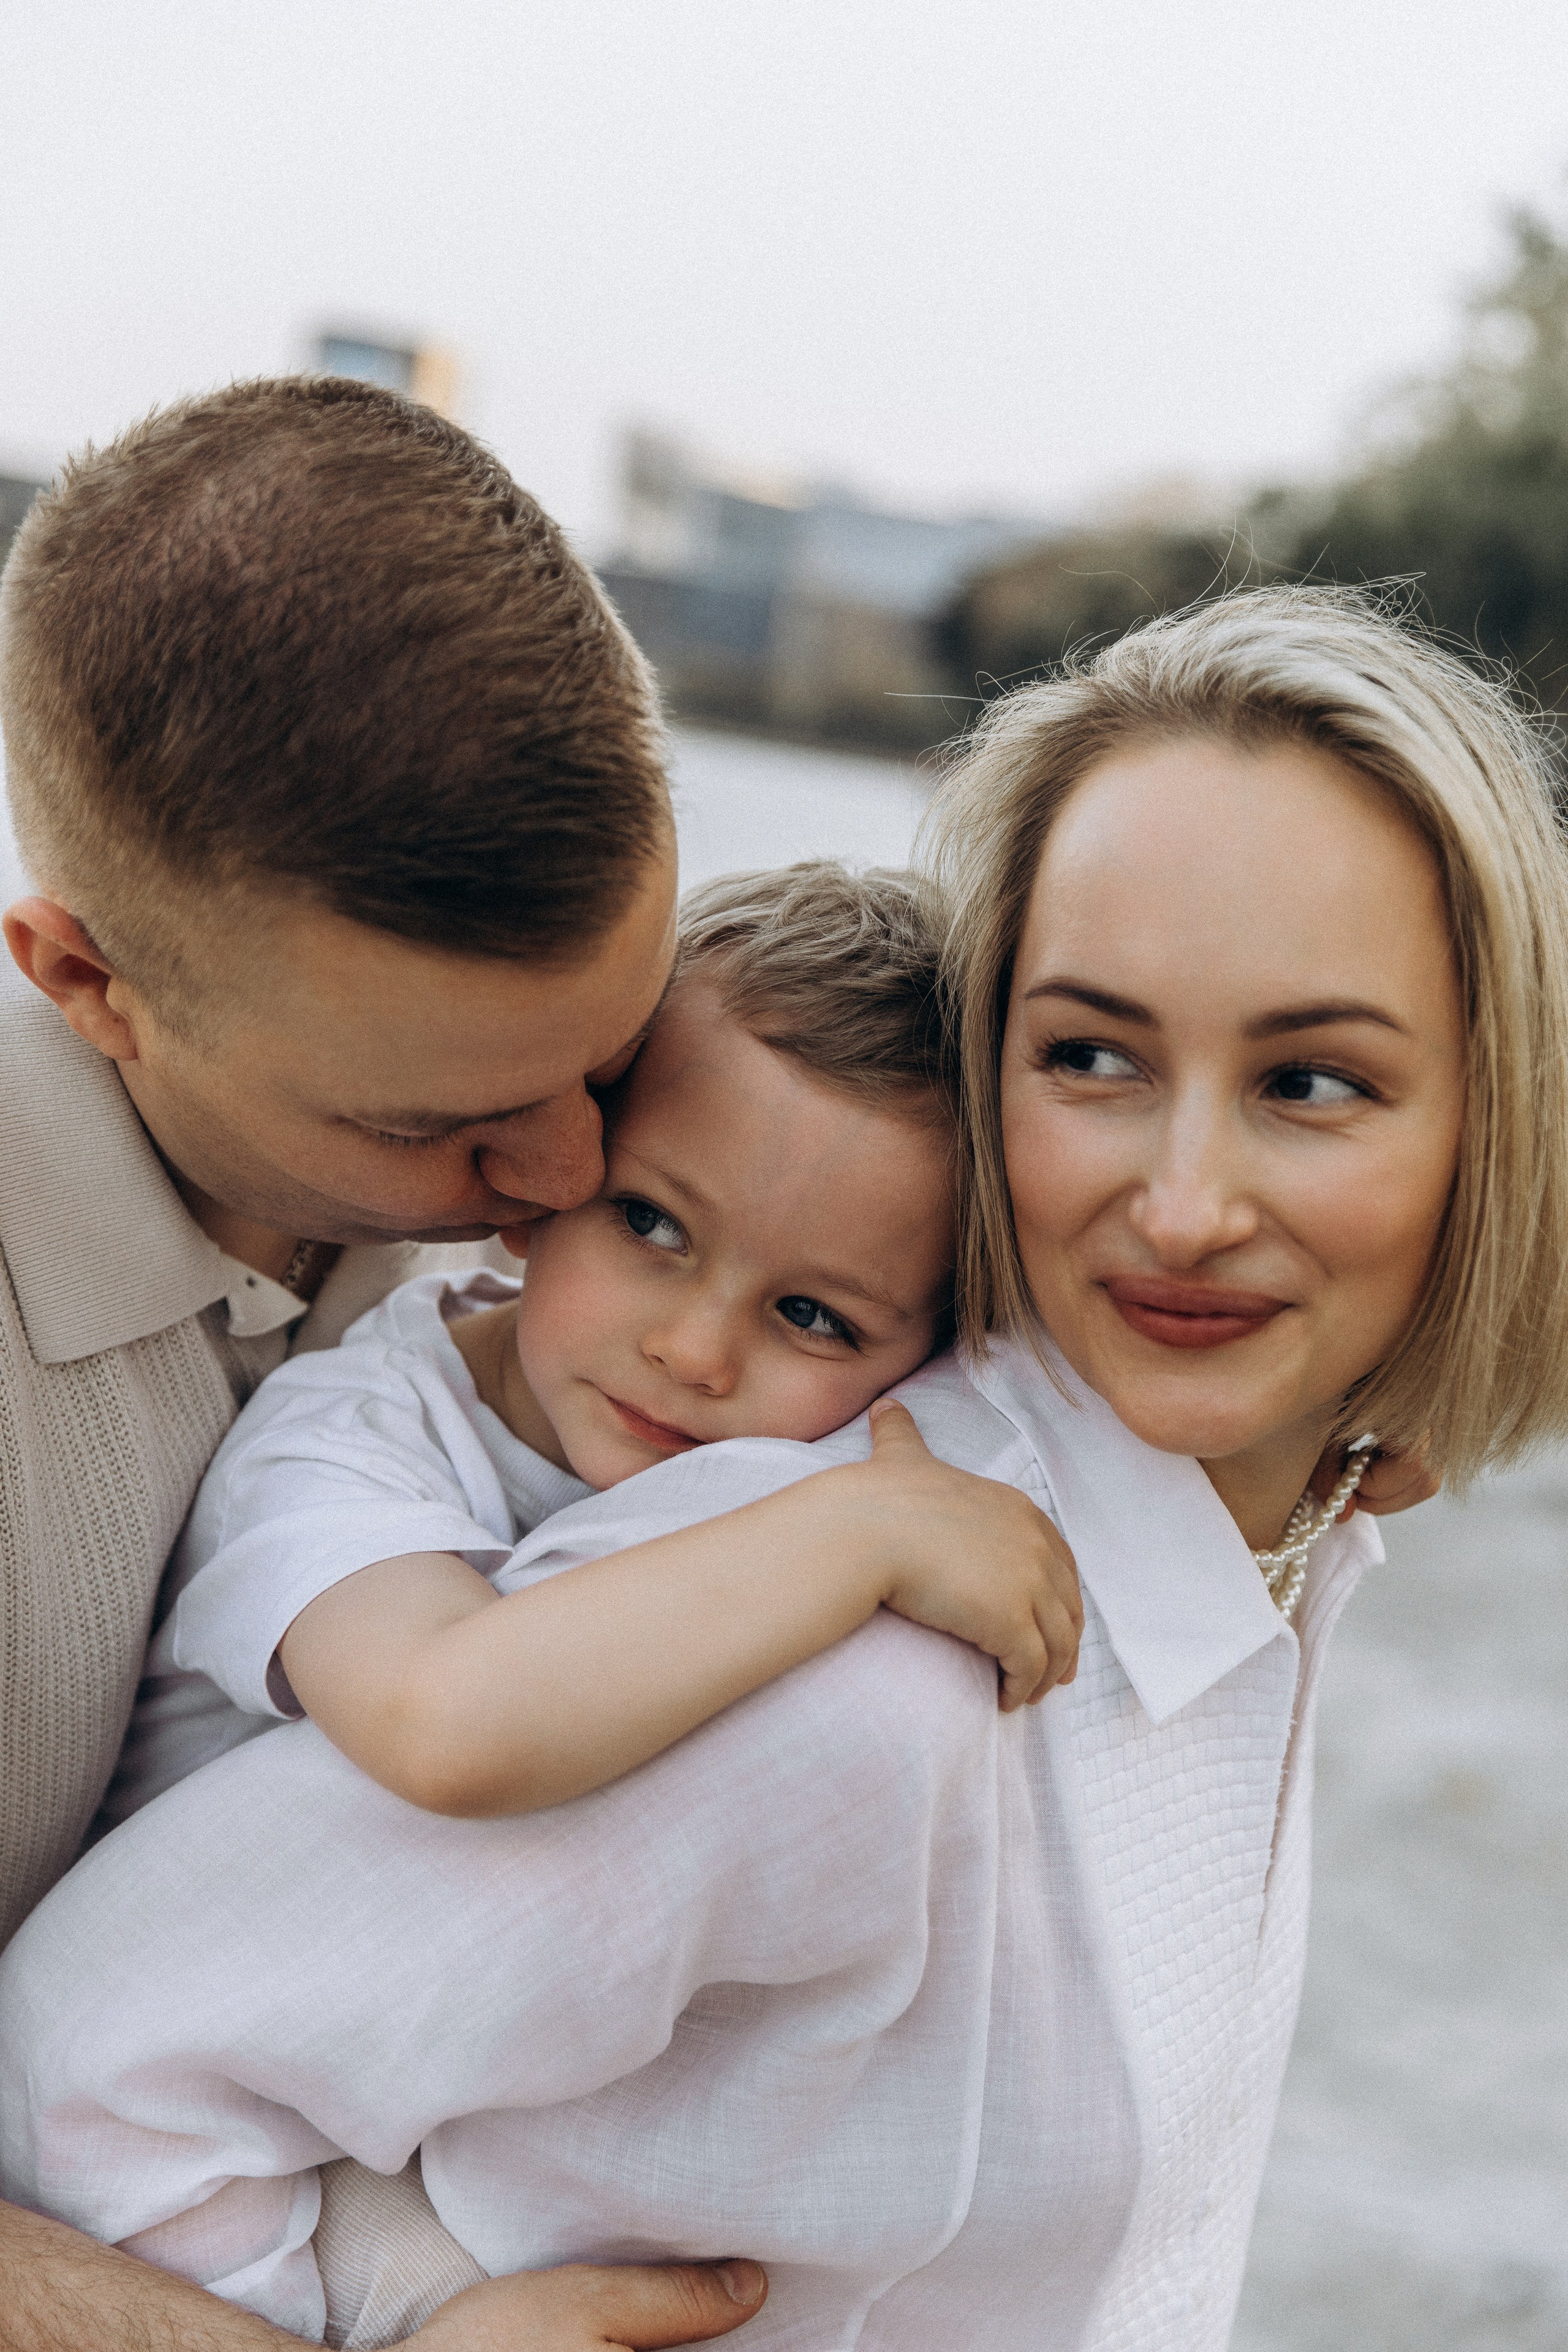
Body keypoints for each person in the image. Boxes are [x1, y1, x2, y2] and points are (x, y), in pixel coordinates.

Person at [7, 586, 1552, 2351]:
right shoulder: (831, 1640)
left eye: (1316, 1081)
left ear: (1498, 1120)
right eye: (1091, 1055)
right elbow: (94, 2057)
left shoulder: (1277, 1521)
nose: (1187, 1205)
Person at [0, 379, 768, 2350]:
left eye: (607, 1061)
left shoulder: (588, 1134)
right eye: (445, 1128)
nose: (579, 1182)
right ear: (90, 984)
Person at [108, 862, 1081, 1833]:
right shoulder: (334, 1443)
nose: (697, 1351)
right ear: (544, 1189)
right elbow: (440, 1724)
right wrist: (865, 1534)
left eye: (813, 1316)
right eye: (652, 1224)